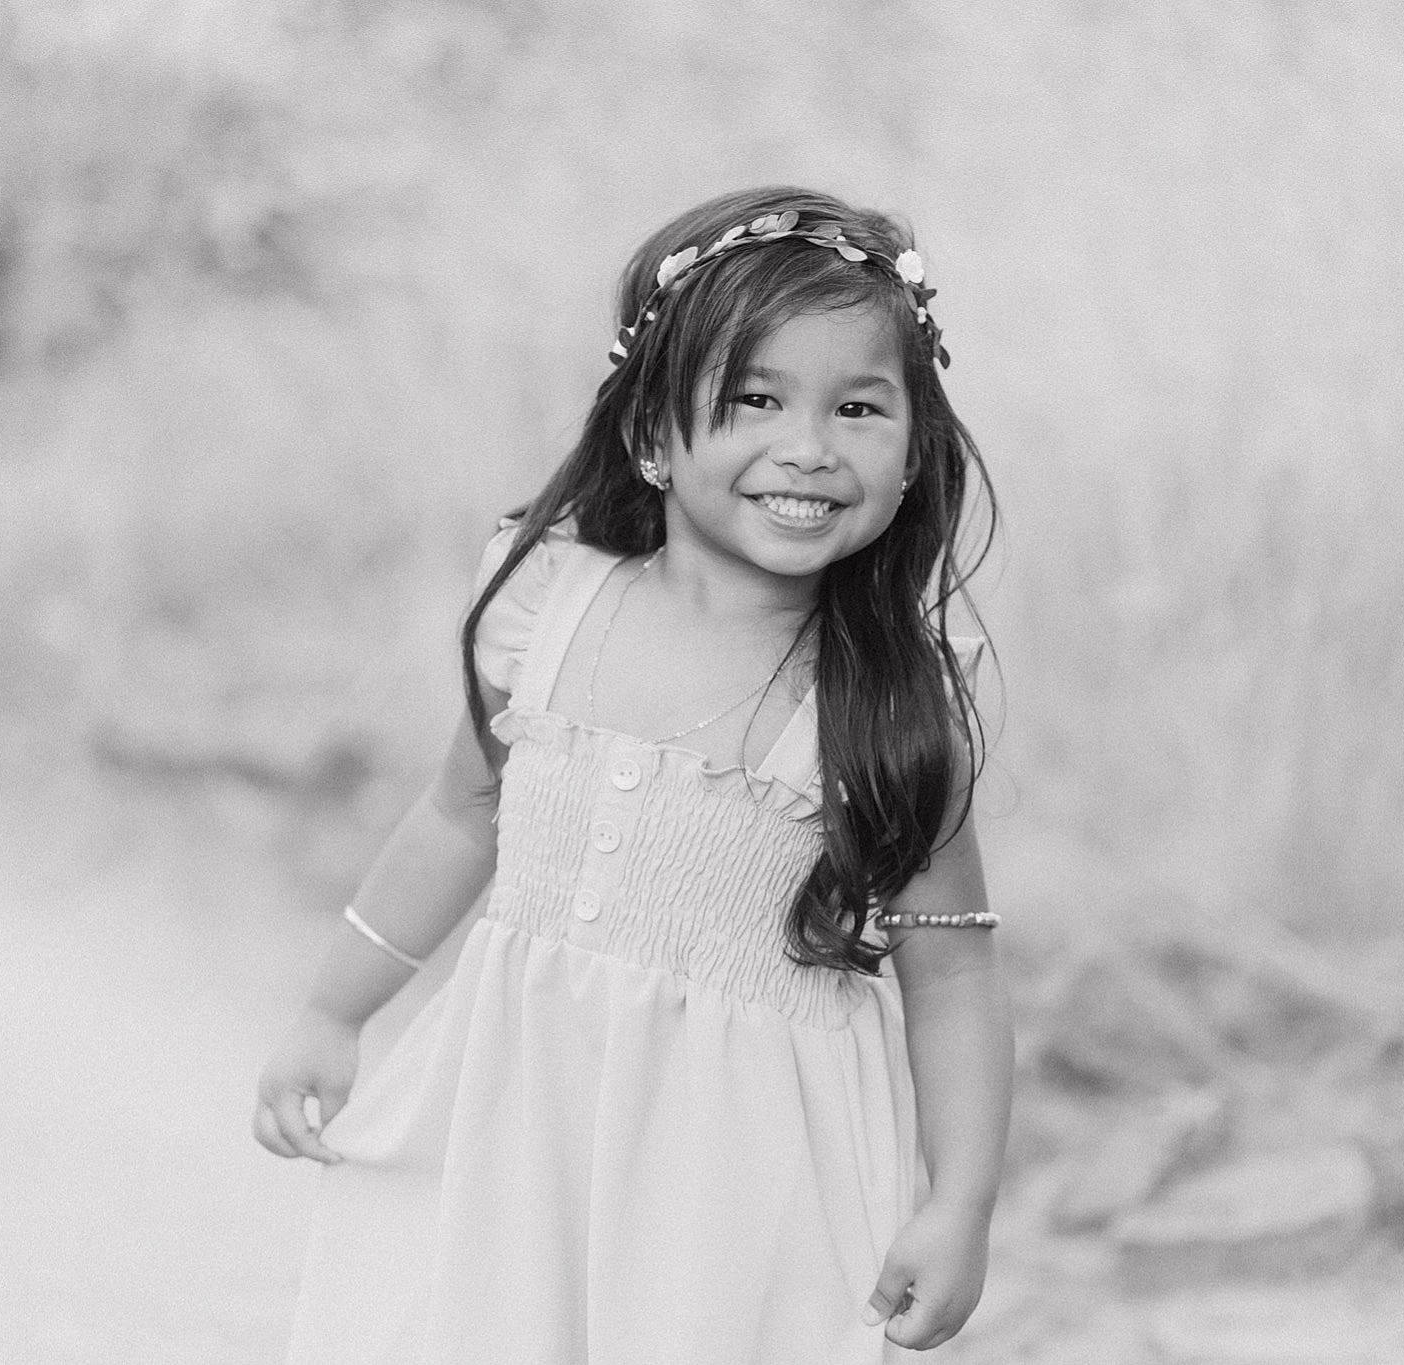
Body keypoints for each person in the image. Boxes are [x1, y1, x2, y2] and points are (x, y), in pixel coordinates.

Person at [253, 185, 1012, 1363]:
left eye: (857, 407)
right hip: (521, 1122)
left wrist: (957, 1202)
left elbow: (952, 970)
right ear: (652, 435)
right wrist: (332, 1008)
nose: (805, 446)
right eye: (754, 399)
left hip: (740, 1182)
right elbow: (458, 815)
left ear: (914, 453)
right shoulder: (549, 605)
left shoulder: (888, 699)